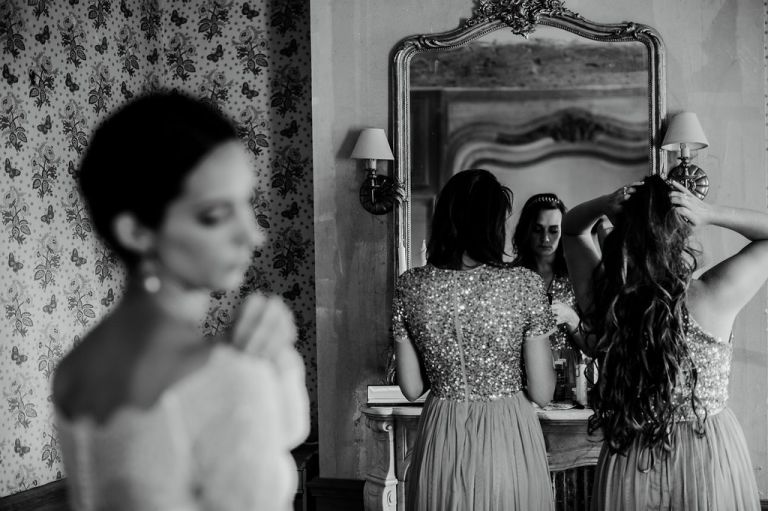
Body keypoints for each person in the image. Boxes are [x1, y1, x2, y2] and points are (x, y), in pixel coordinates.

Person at [52, 91, 310, 511]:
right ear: (137, 232)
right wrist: (269, 363)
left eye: (247, 204)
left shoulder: (73, 369)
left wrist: (274, 356)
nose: (253, 235)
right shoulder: (229, 378)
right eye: (214, 215)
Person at [562, 174, 765, 510]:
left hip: (632, 451)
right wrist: (710, 212)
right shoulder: (713, 294)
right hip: (707, 450)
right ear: (679, 231)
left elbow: (571, 229)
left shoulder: (608, 300)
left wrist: (602, 204)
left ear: (620, 231)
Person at [393, 169, 557, 511]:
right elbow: (543, 393)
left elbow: (411, 388)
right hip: (507, 435)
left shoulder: (410, 286)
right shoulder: (524, 285)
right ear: (493, 223)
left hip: (441, 432)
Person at [512, 193, 586, 403]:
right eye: (538, 230)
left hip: (570, 385)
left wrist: (572, 318)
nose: (546, 239)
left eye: (554, 231)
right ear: (527, 231)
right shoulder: (512, 277)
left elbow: (594, 345)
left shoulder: (577, 276)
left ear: (564, 233)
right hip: (522, 384)